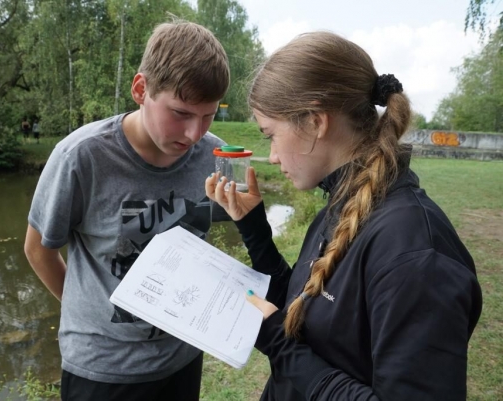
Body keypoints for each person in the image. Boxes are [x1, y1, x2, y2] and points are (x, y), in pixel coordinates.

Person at [206, 31, 482, 401]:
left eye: (270, 135)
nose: (271, 156)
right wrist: (253, 226)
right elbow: (311, 310)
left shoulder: (415, 253)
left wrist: (279, 345)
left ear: (316, 122)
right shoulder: (342, 207)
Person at [24, 21, 230, 401]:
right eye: (181, 113)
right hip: (103, 368)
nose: (194, 134)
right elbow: (39, 249)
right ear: (141, 89)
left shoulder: (212, 155)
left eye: (208, 116)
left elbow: (211, 243)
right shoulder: (81, 157)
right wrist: (87, 312)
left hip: (183, 356)